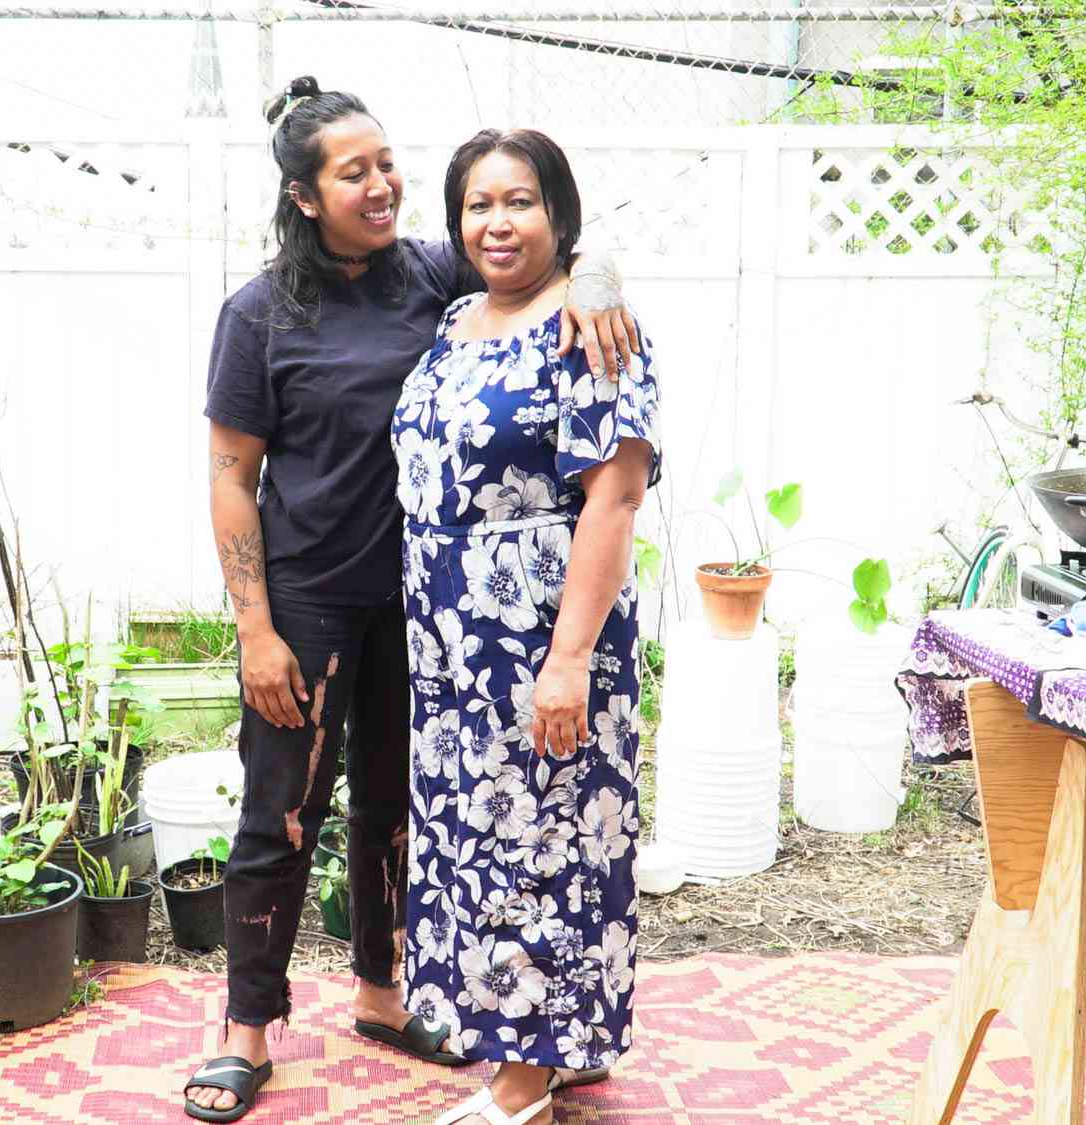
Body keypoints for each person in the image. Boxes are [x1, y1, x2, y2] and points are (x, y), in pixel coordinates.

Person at [189, 76, 642, 1123]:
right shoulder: (259, 314)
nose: (386, 185)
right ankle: (245, 1030)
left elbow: (536, 241)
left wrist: (600, 280)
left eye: (390, 164)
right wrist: (253, 628)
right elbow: (228, 475)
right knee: (282, 815)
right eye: (357, 174)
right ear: (306, 196)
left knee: (402, 811)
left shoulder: (424, 275)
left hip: (426, 610)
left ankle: (383, 997)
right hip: (305, 602)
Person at [391, 128, 660, 1125]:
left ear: (559, 213)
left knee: (548, 848)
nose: (497, 223)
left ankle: (524, 1077)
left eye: (521, 202)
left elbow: (615, 498)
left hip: (542, 636)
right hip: (451, 649)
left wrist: (570, 662)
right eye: (478, 206)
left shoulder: (595, 328)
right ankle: (546, 1043)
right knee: (479, 848)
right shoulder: (456, 313)